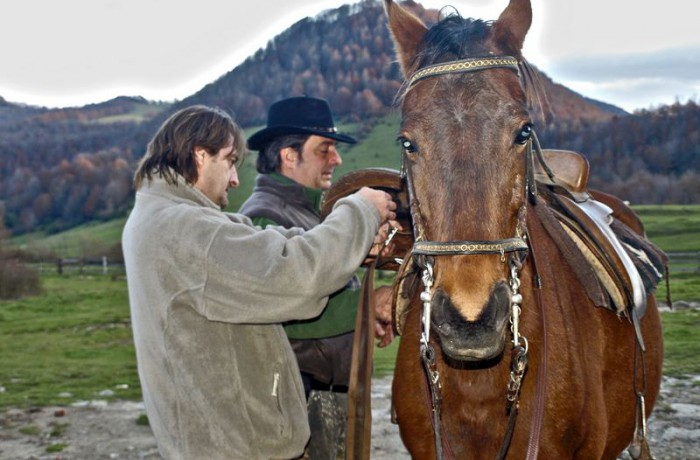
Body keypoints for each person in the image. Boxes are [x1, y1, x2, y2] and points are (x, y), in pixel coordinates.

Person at [122, 104, 397, 459]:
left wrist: (356, 246)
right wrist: (361, 210)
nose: (235, 179)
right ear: (200, 155)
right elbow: (293, 275)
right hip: (236, 444)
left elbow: (268, 240)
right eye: (230, 160)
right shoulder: (185, 229)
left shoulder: (163, 218)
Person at [240, 96, 395, 459]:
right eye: (324, 149)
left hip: (326, 390)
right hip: (300, 397)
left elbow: (323, 280)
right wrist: (369, 304)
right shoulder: (264, 217)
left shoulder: (306, 211)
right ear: (289, 155)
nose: (336, 160)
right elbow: (285, 305)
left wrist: (364, 263)